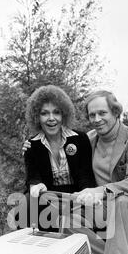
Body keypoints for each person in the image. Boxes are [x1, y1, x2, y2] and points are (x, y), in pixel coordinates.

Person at [23, 89, 128, 254]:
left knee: (121, 203)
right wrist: (29, 146)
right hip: (98, 204)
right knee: (67, 220)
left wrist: (102, 191)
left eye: (102, 113)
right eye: (92, 115)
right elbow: (55, 151)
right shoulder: (87, 139)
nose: (97, 120)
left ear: (116, 112)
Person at [17, 84, 96, 230]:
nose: (51, 118)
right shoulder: (32, 145)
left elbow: (86, 175)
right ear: (37, 117)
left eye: (56, 112)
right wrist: (37, 185)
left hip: (76, 197)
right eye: (44, 113)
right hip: (49, 198)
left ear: (64, 115)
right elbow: (32, 178)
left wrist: (87, 193)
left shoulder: (80, 139)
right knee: (25, 207)